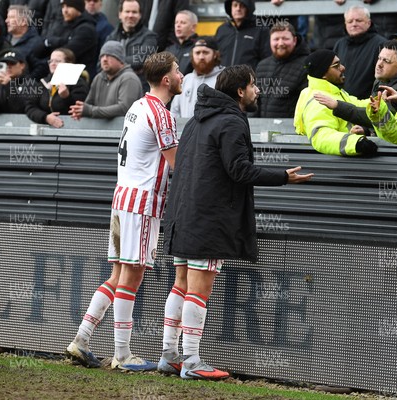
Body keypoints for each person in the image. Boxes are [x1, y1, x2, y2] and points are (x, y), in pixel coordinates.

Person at [161, 64, 313, 379]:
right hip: (208, 218)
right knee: (198, 290)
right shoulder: (231, 120)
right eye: (254, 85)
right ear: (241, 91)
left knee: (181, 285)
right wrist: (283, 176)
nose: (258, 90)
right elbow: (239, 170)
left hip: (182, 213)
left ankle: (169, 356)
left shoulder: (194, 120)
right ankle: (191, 362)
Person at [66, 51, 182, 371]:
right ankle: (122, 354)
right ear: (166, 79)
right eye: (178, 70)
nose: (182, 75)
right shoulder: (161, 113)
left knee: (118, 275)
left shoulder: (136, 106)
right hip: (142, 204)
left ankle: (82, 338)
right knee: (132, 277)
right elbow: (178, 165)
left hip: (121, 200)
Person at [294, 49, 378, 157]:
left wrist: (384, 101)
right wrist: (356, 143)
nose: (343, 67)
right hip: (341, 165)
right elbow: (320, 136)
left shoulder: (334, 92)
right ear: (323, 74)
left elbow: (356, 105)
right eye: (336, 65)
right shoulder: (319, 100)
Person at [69, 41, 143, 120]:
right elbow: (89, 104)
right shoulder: (99, 78)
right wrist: (79, 111)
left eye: (109, 55)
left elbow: (124, 108)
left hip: (122, 130)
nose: (104, 59)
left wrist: (90, 111)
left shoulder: (129, 78)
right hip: (100, 130)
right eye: (102, 56)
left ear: (120, 59)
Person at [254, 21, 309, 118]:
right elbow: (255, 102)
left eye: (285, 39)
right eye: (276, 39)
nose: (280, 43)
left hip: (291, 131)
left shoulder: (306, 66)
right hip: (262, 129)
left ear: (294, 40)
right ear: (270, 41)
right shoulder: (262, 66)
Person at [34, 0, 99, 79]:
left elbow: (66, 53)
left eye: (69, 7)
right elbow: (39, 49)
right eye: (63, 7)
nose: (65, 10)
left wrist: (52, 42)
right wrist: (54, 42)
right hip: (58, 74)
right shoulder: (64, 25)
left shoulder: (86, 29)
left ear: (78, 9)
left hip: (76, 77)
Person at [25, 48, 89, 128]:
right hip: (46, 131)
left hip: (71, 130)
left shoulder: (78, 83)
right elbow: (30, 107)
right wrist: (46, 117)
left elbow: (80, 109)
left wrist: (66, 97)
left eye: (57, 61)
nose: (52, 64)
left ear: (69, 63)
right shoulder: (43, 82)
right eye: (50, 61)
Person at [333, 5, 387, 99]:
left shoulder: (381, 45)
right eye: (350, 21)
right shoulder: (339, 44)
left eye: (359, 20)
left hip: (368, 106)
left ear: (369, 23)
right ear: (345, 24)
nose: (354, 24)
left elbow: (384, 79)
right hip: (341, 104)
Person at [106, 0, 158, 93]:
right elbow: (101, 64)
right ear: (120, 14)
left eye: (134, 12)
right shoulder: (111, 37)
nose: (130, 15)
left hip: (138, 89)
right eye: (127, 11)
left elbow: (141, 60)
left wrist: (114, 63)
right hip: (112, 89)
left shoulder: (150, 37)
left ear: (140, 15)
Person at [170, 36, 223, 119]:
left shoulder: (223, 79)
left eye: (205, 52)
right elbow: (174, 111)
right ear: (192, 55)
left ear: (215, 55)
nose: (201, 57)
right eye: (197, 53)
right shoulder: (186, 79)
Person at [214, 0, 271, 69]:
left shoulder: (261, 30)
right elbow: (215, 56)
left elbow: (267, 59)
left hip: (249, 78)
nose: (238, 9)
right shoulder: (222, 30)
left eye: (242, 5)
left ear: (248, 8)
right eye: (235, 5)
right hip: (223, 78)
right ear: (230, 8)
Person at [0, 50, 40, 115]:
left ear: (22, 65)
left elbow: (20, 109)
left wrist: (9, 85)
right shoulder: (1, 85)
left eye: (12, 63)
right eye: (5, 64)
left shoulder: (31, 84)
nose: (8, 66)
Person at [4, 5, 48, 79]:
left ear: (23, 22)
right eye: (7, 17)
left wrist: (23, 85)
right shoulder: (4, 41)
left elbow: (41, 69)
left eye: (11, 17)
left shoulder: (36, 43)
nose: (6, 21)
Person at [165, 10, 199, 75]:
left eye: (183, 22)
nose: (178, 25)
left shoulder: (199, 48)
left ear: (193, 27)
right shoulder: (169, 49)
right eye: (176, 22)